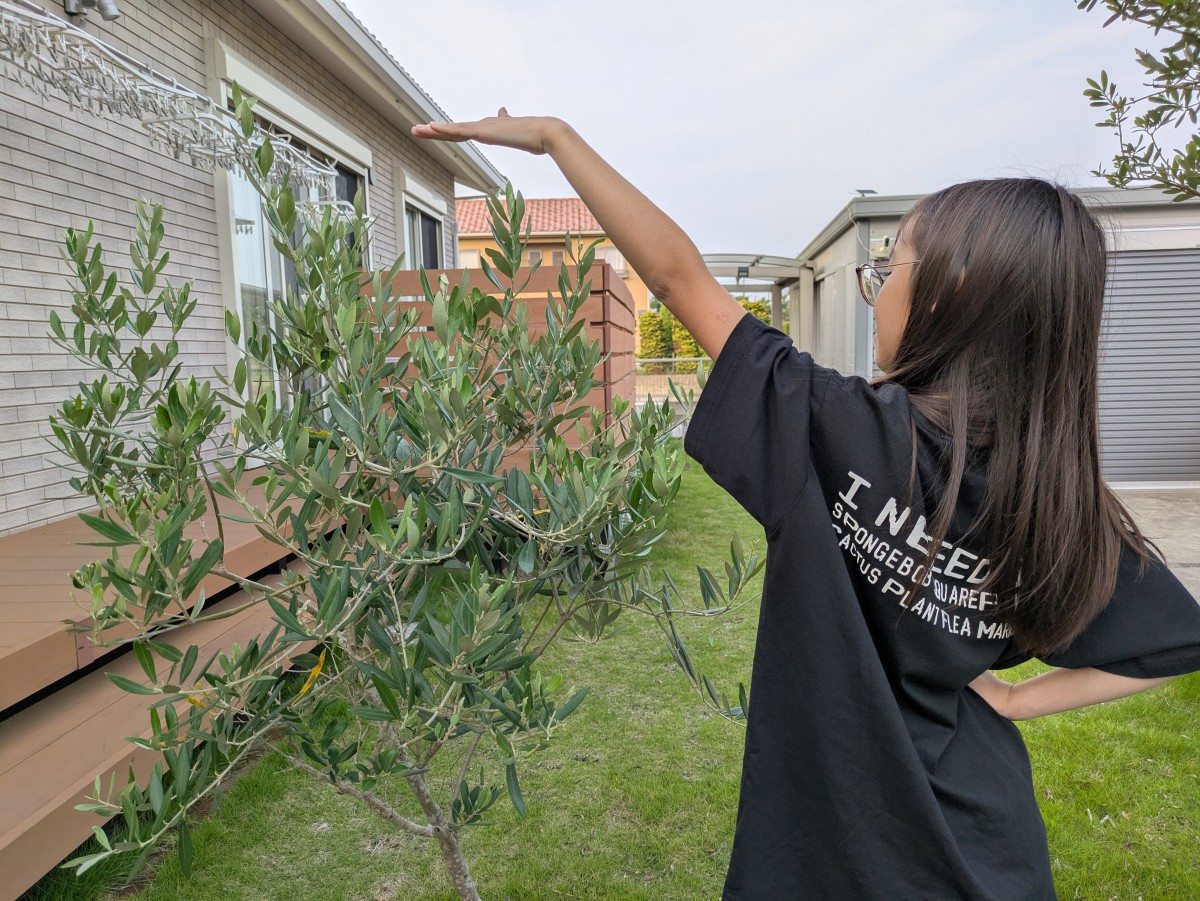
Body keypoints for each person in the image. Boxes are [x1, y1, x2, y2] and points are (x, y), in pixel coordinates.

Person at [412, 112, 1200, 900]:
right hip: (992, 857)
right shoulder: (1056, 498)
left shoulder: (833, 429)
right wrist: (1016, 700)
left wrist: (557, 139)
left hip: (827, 853)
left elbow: (678, 279)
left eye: (890, 266)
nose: (877, 291)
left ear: (949, 293)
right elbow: (1173, 640)